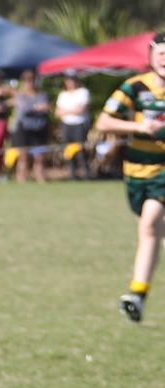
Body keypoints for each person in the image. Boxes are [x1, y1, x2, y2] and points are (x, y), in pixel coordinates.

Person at [96, 31, 165, 323]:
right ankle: (138, 295)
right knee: (150, 230)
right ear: (150, 57)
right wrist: (138, 128)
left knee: (150, 223)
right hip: (135, 172)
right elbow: (104, 121)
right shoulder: (135, 87)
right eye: (161, 53)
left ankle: (137, 292)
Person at [12, 68, 51, 184]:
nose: (30, 82)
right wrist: (37, 107)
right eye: (27, 80)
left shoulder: (42, 94)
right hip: (24, 128)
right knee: (23, 156)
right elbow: (24, 109)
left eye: (32, 79)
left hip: (40, 128)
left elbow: (46, 108)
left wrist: (35, 107)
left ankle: (40, 178)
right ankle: (21, 179)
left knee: (39, 156)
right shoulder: (20, 95)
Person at [56, 69, 92, 180]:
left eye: (72, 80)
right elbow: (58, 112)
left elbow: (80, 110)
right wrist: (72, 110)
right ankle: (72, 175)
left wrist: (66, 111)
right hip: (67, 125)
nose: (70, 82)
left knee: (80, 151)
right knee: (69, 151)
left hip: (79, 125)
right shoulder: (63, 94)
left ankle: (86, 174)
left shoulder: (83, 92)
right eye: (68, 80)